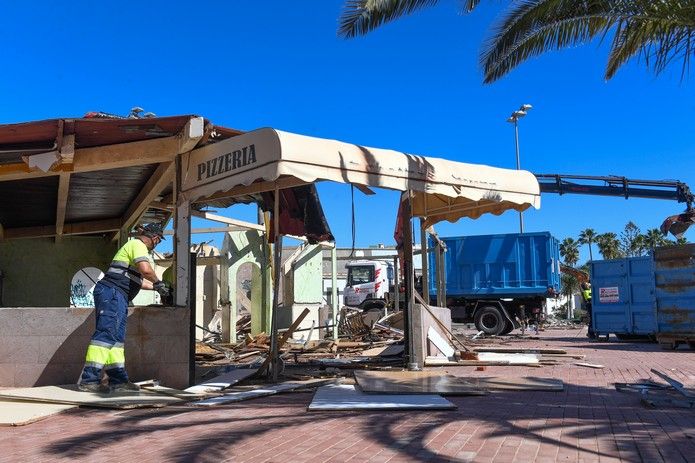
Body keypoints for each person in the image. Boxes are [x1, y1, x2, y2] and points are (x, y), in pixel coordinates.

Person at [78, 223, 170, 393]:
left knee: (116, 340)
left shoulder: (133, 248)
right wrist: (159, 282)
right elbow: (146, 270)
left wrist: (157, 287)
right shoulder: (138, 245)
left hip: (117, 294)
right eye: (158, 240)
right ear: (155, 238)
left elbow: (138, 280)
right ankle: (89, 380)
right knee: (105, 334)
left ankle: (118, 380)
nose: (157, 243)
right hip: (112, 293)